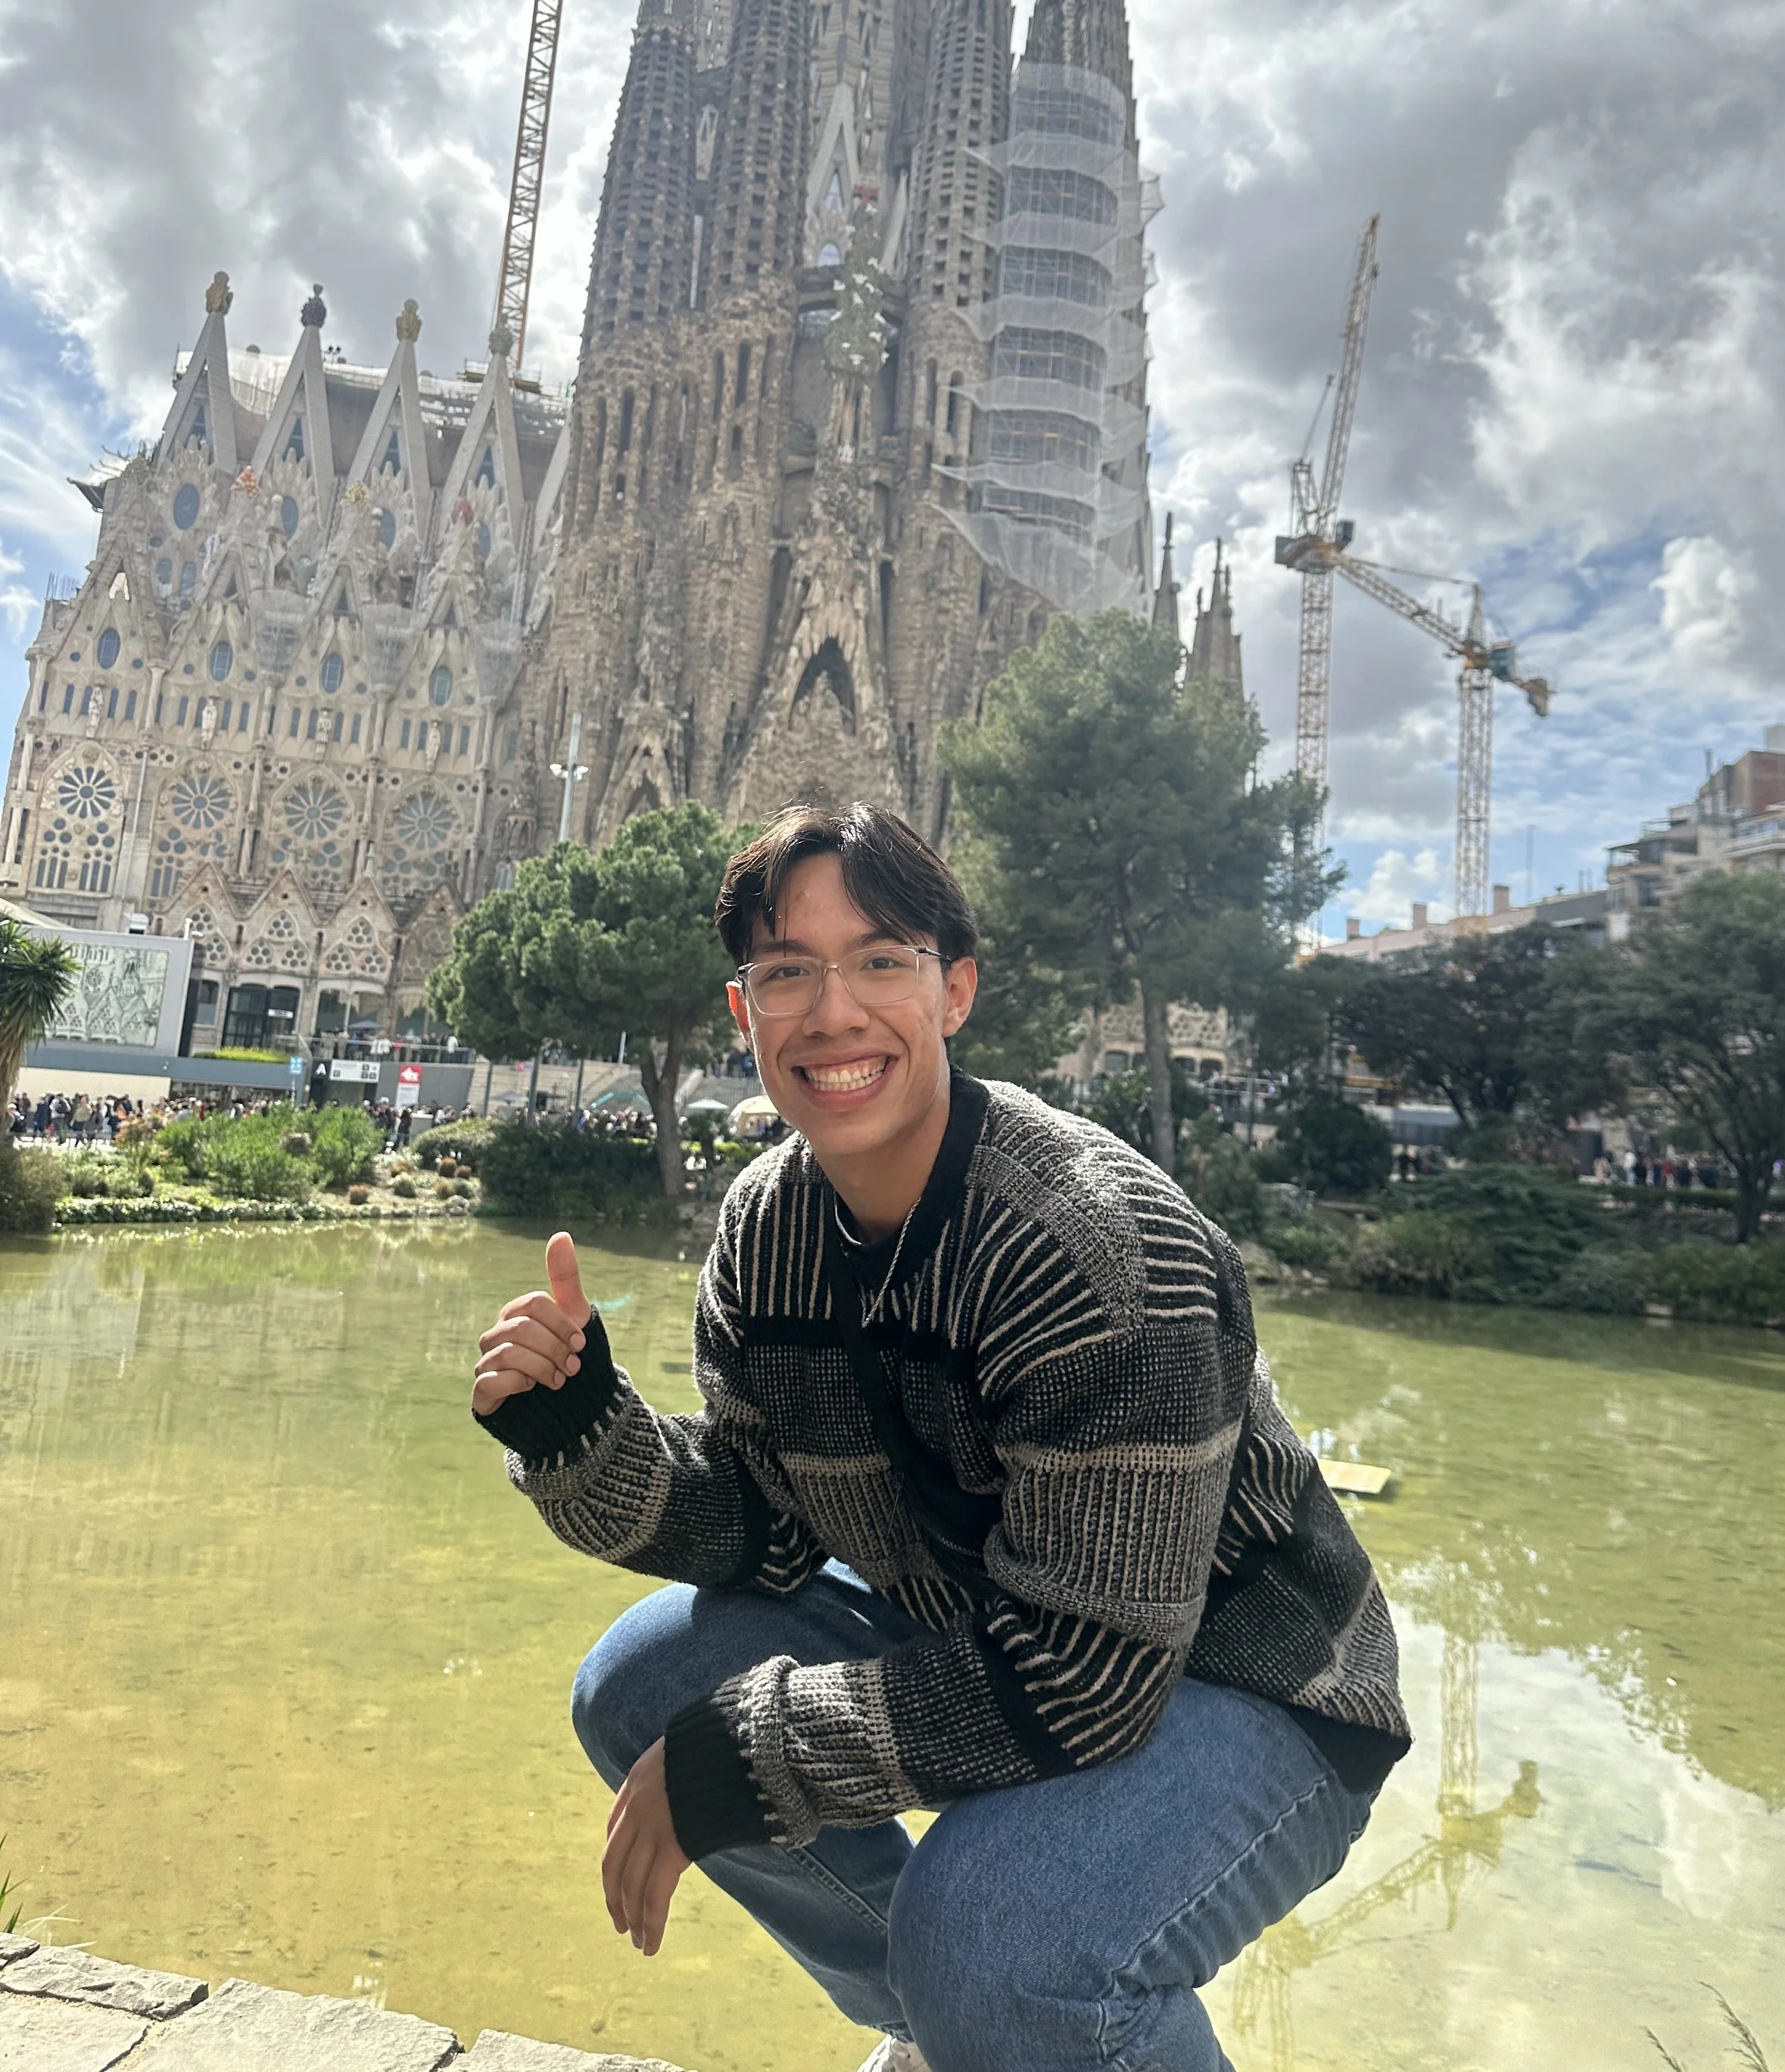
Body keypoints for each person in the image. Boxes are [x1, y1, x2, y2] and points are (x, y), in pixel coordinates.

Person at [472, 803, 1409, 2072]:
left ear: (955, 991)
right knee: (643, 1692)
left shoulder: (1095, 1249)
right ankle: (953, 2035)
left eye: (881, 961)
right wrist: (581, 1428)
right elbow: (763, 1523)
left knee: (995, 1935)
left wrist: (754, 1753)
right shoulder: (767, 1226)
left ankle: (1000, 2005)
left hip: (1244, 1678)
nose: (833, 1012)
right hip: (977, 1614)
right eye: (786, 970)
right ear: (744, 1014)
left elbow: (1092, 1669)